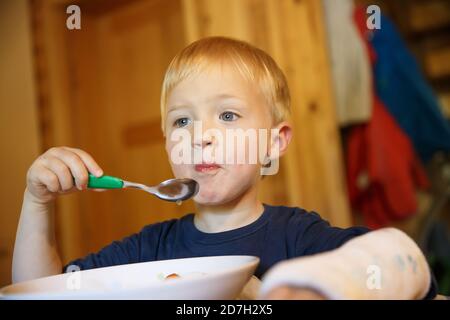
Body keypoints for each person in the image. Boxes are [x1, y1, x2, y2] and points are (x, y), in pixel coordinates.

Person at [13, 37, 437, 299]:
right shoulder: (148, 251)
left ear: (274, 142)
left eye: (228, 116)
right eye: (182, 121)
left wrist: (319, 288)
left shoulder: (298, 238)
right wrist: (37, 202)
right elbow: (38, 293)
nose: (201, 135)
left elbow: (403, 262)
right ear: (168, 143)